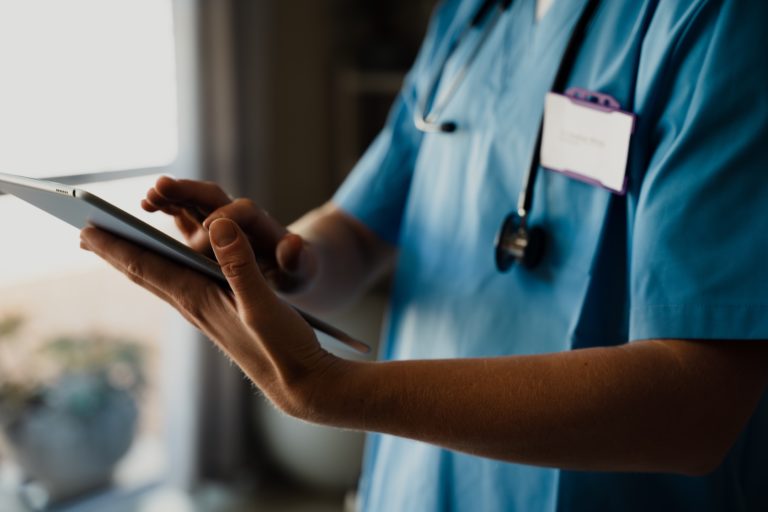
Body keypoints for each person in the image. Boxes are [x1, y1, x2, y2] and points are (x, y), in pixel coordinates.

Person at [80, 0, 768, 510]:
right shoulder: (473, 19)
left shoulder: (715, 22)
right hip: (417, 481)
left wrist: (334, 390)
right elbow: (361, 228)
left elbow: (697, 405)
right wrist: (285, 263)